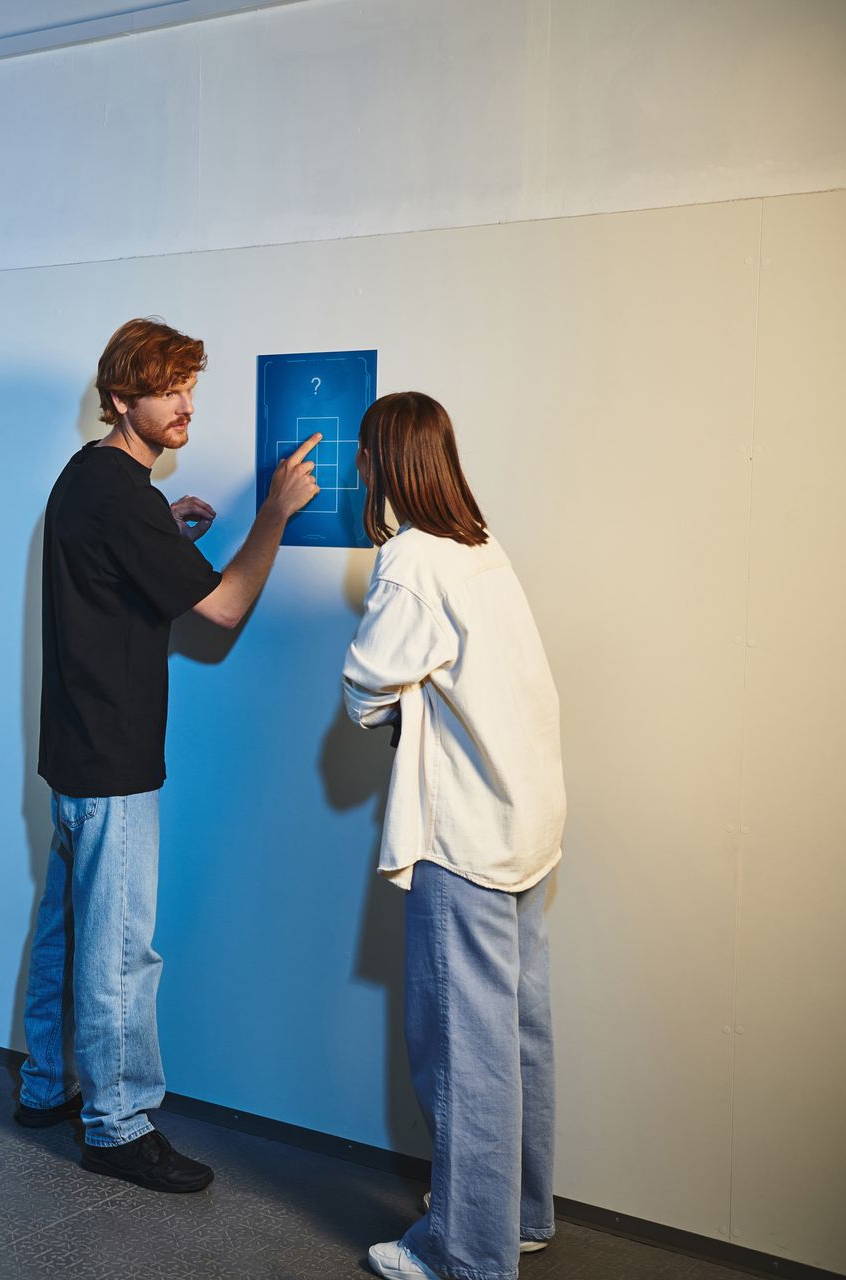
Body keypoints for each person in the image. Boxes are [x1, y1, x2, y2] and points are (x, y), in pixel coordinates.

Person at [18, 317, 321, 1192]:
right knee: (119, 950)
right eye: (166, 389)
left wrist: (170, 540)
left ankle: (47, 1086)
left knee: (68, 931)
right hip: (113, 761)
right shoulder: (123, 495)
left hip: (76, 753)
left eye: (190, 386)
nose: (184, 405)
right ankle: (115, 1126)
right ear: (122, 399)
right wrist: (273, 513)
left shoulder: (92, 482)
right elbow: (223, 610)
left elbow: (114, 583)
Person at [340, 392, 565, 1280]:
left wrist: (395, 698)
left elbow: (363, 690)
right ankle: (520, 1215)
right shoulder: (481, 545)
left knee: (463, 1051)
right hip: (528, 823)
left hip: (465, 836)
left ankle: (468, 1257)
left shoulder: (409, 561)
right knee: (518, 1031)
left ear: (380, 463)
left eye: (362, 455)